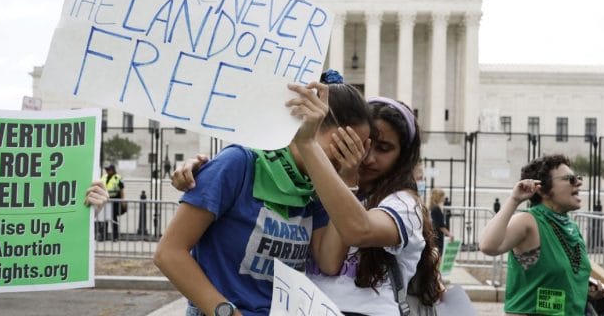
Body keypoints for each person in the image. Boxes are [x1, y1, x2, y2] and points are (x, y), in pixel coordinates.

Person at [154, 80, 373, 316]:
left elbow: (329, 261)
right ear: (310, 124)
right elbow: (169, 253)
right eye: (344, 145)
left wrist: (348, 178)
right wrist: (226, 312)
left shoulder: (317, 188)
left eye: (358, 151)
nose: (350, 157)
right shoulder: (238, 163)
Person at [303, 97, 444, 315]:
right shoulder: (320, 189)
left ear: (403, 157)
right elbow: (328, 262)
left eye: (384, 148)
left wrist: (347, 178)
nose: (368, 158)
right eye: (363, 144)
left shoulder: (404, 204)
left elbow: (358, 230)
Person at [479, 154, 591, 316]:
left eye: (578, 178)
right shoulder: (529, 221)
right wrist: (514, 200)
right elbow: (488, 246)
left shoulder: (570, 227)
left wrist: (591, 291)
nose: (579, 182)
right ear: (543, 190)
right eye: (570, 179)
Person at [96, 164, 124, 241]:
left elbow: (122, 190)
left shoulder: (118, 177)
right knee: (104, 218)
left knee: (113, 219)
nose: (107, 171)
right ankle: (103, 236)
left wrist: (122, 201)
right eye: (106, 169)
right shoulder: (104, 177)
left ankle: (115, 237)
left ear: (113, 170)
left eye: (108, 169)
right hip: (105, 200)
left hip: (114, 201)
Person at [429, 188, 453, 254]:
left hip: (433, 235)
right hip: (437, 236)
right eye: (442, 196)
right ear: (438, 197)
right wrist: (449, 234)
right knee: (439, 253)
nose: (444, 198)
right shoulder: (436, 209)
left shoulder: (431, 207)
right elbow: (440, 225)